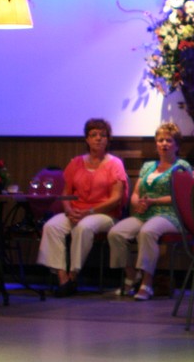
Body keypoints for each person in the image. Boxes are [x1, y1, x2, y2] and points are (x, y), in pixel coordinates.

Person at [38, 118, 128, 297]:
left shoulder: (115, 163)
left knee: (83, 227)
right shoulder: (76, 162)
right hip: (76, 211)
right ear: (87, 139)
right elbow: (66, 192)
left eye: (102, 135)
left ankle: (73, 275)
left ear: (108, 139)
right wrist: (68, 210)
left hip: (104, 213)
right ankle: (63, 278)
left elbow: (116, 198)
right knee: (51, 226)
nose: (98, 138)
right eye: (94, 135)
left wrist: (89, 212)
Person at [107, 122, 193, 301]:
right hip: (144, 213)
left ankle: (147, 282)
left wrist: (154, 201)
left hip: (170, 213)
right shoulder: (147, 166)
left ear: (177, 145)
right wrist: (137, 203)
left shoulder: (181, 166)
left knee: (147, 232)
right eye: (160, 140)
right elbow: (136, 192)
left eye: (168, 140)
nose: (164, 144)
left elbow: (182, 197)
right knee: (116, 233)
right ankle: (131, 275)